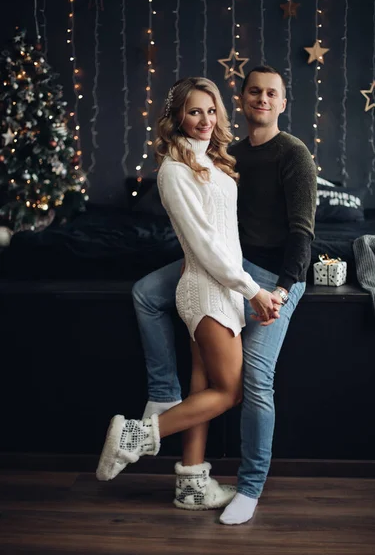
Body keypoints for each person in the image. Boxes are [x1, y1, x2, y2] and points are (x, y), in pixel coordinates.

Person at [132, 65, 317, 525]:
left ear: (283, 102)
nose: (262, 99)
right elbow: (207, 224)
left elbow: (303, 234)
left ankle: (250, 487)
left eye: (272, 93)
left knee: (253, 379)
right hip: (225, 266)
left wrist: (278, 289)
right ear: (242, 98)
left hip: (273, 276)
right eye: (254, 91)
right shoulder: (225, 155)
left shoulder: (293, 154)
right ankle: (163, 399)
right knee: (145, 292)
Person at [96, 77, 279, 512]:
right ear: (178, 115)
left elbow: (225, 238)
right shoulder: (175, 172)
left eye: (211, 111)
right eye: (195, 111)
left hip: (222, 288)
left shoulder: (213, 163)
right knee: (230, 392)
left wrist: (242, 287)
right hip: (208, 291)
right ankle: (134, 436)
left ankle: (192, 484)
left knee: (203, 385)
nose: (205, 120)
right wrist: (253, 290)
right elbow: (203, 244)